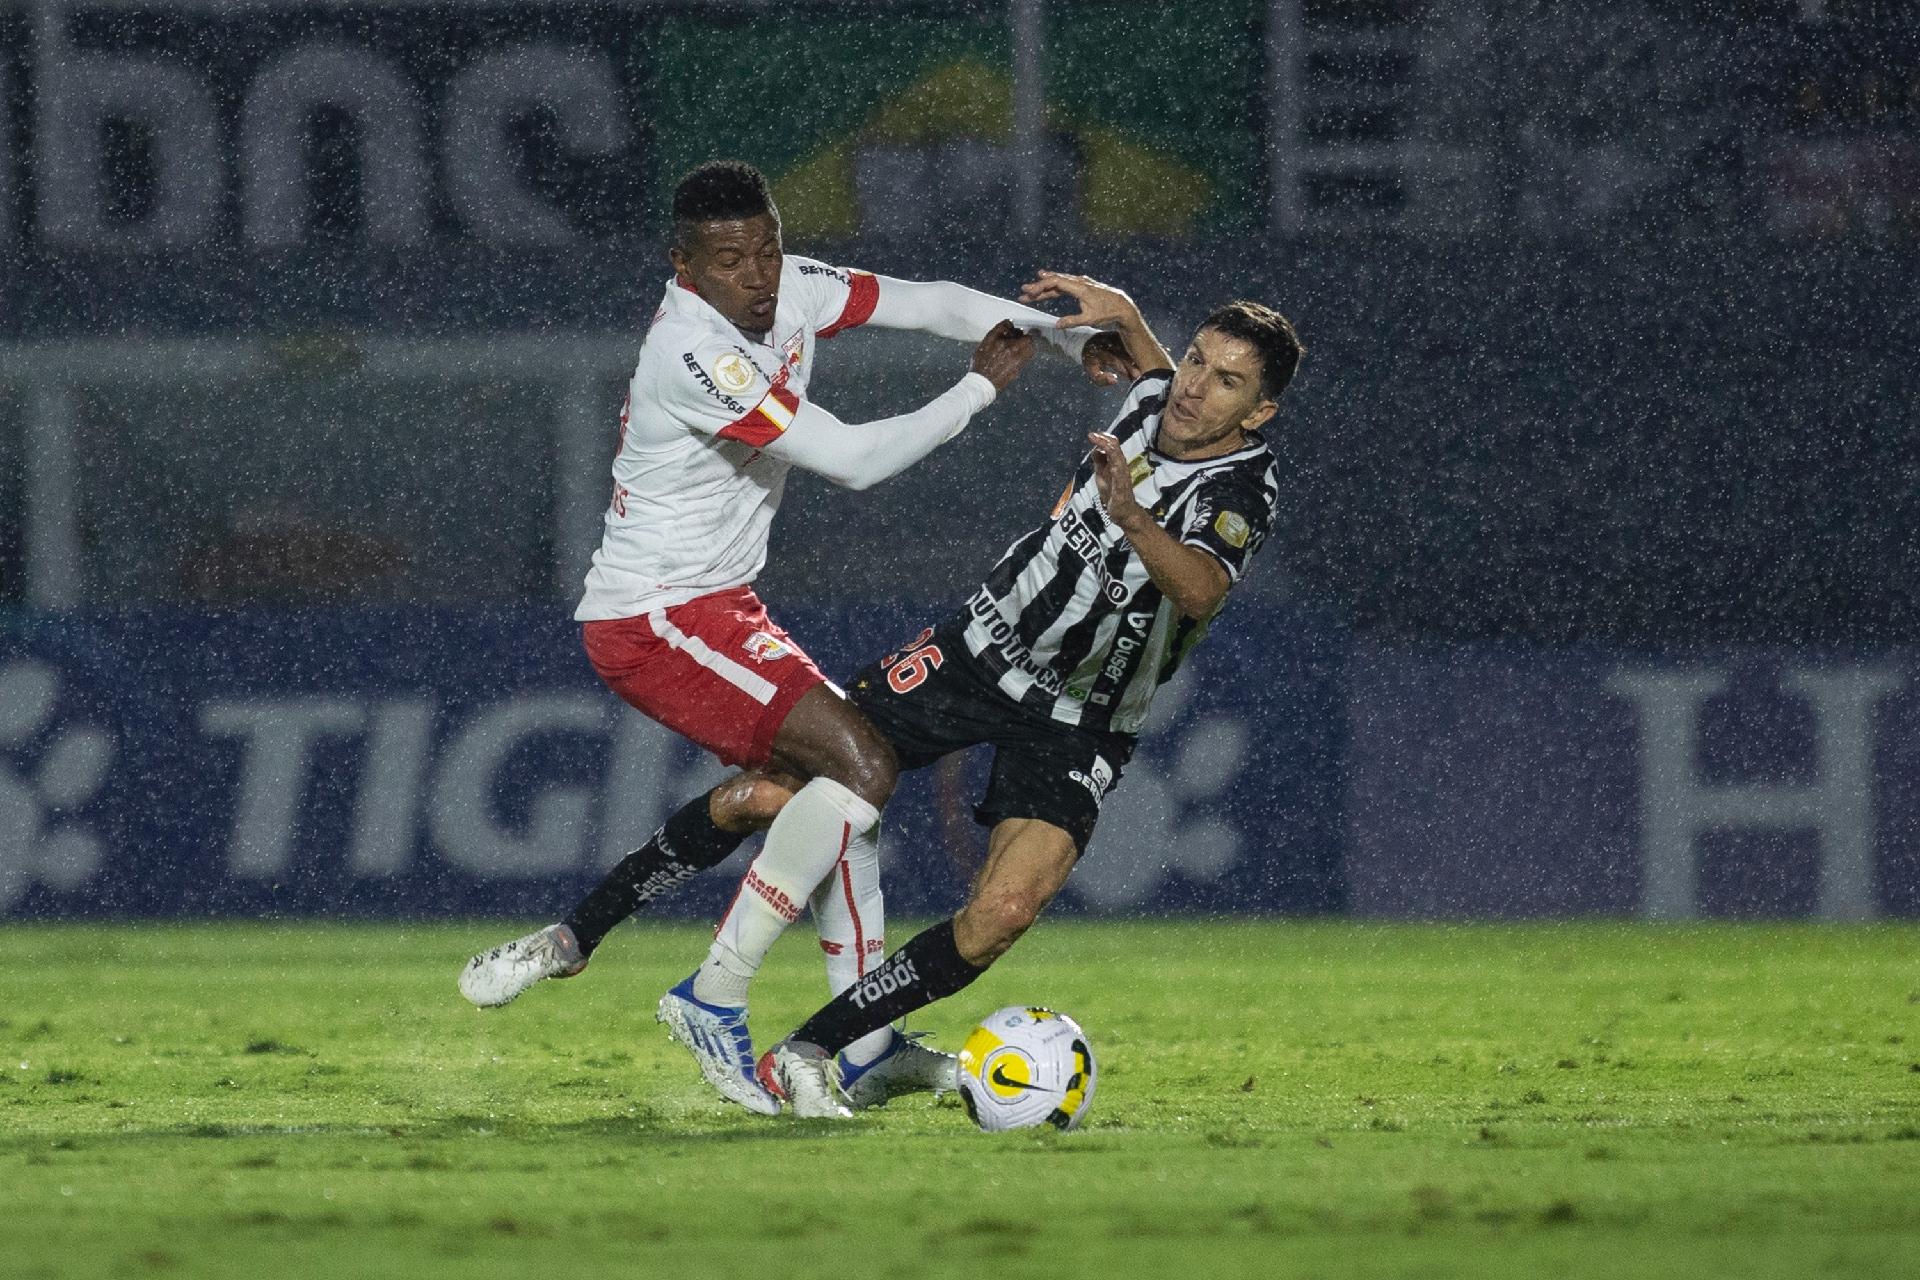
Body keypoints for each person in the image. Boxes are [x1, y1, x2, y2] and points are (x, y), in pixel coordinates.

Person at [471, 267, 1305, 1121]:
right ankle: (579, 934)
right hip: (976, 650)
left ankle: (821, 1049)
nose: (1196, 387)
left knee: (1001, 914)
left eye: (1227, 381)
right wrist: (1124, 309)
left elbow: (1200, 589)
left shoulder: (1242, 490)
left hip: (1084, 718)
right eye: (1197, 360)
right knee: (780, 789)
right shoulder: (1158, 395)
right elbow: (1143, 358)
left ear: (1259, 412)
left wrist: (1130, 516)